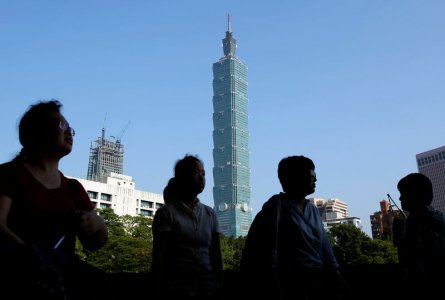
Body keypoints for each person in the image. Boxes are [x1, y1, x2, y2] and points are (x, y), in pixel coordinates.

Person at [0, 100, 109, 299]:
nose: (69, 132)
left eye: (70, 128)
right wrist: (32, 257)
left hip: (62, 273)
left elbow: (95, 243)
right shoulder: (10, 174)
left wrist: (96, 225)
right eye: (61, 125)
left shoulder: (74, 189)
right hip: (19, 276)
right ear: (38, 132)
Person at [241, 155, 345, 300]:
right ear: (293, 178)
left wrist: (337, 278)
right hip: (291, 285)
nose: (315, 179)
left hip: (318, 283)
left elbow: (326, 251)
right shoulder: (276, 205)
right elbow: (268, 251)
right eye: (310, 175)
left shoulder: (313, 210)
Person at [151, 154, 223, 300]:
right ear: (182, 177)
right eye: (196, 173)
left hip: (209, 289)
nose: (202, 178)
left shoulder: (210, 214)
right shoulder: (166, 214)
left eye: (204, 174)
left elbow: (216, 255)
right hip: (176, 291)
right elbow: (160, 256)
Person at [396, 173, 445, 297]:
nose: (400, 198)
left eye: (403, 193)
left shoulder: (412, 221)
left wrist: (399, 238)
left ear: (415, 195)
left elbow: (410, 257)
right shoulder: (439, 217)